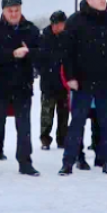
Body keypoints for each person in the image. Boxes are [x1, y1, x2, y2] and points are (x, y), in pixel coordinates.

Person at [60, 0, 107, 177]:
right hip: (82, 82)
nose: (103, 0)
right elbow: (67, 52)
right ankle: (68, 162)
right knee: (77, 122)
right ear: (88, 0)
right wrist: (71, 77)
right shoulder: (76, 21)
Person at [0, 0, 40, 177]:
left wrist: (29, 52)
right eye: (10, 10)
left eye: (17, 10)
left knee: (24, 127)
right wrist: (11, 54)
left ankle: (25, 162)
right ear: (3, 11)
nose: (14, 14)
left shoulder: (30, 29)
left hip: (22, 85)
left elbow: (43, 53)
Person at [37, 11, 70, 151]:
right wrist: (44, 71)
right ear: (53, 24)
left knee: (63, 114)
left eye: (63, 24)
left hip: (64, 82)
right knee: (46, 114)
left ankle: (62, 139)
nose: (61, 27)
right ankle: (45, 139)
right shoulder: (44, 37)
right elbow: (38, 59)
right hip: (48, 82)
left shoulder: (67, 38)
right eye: (59, 24)